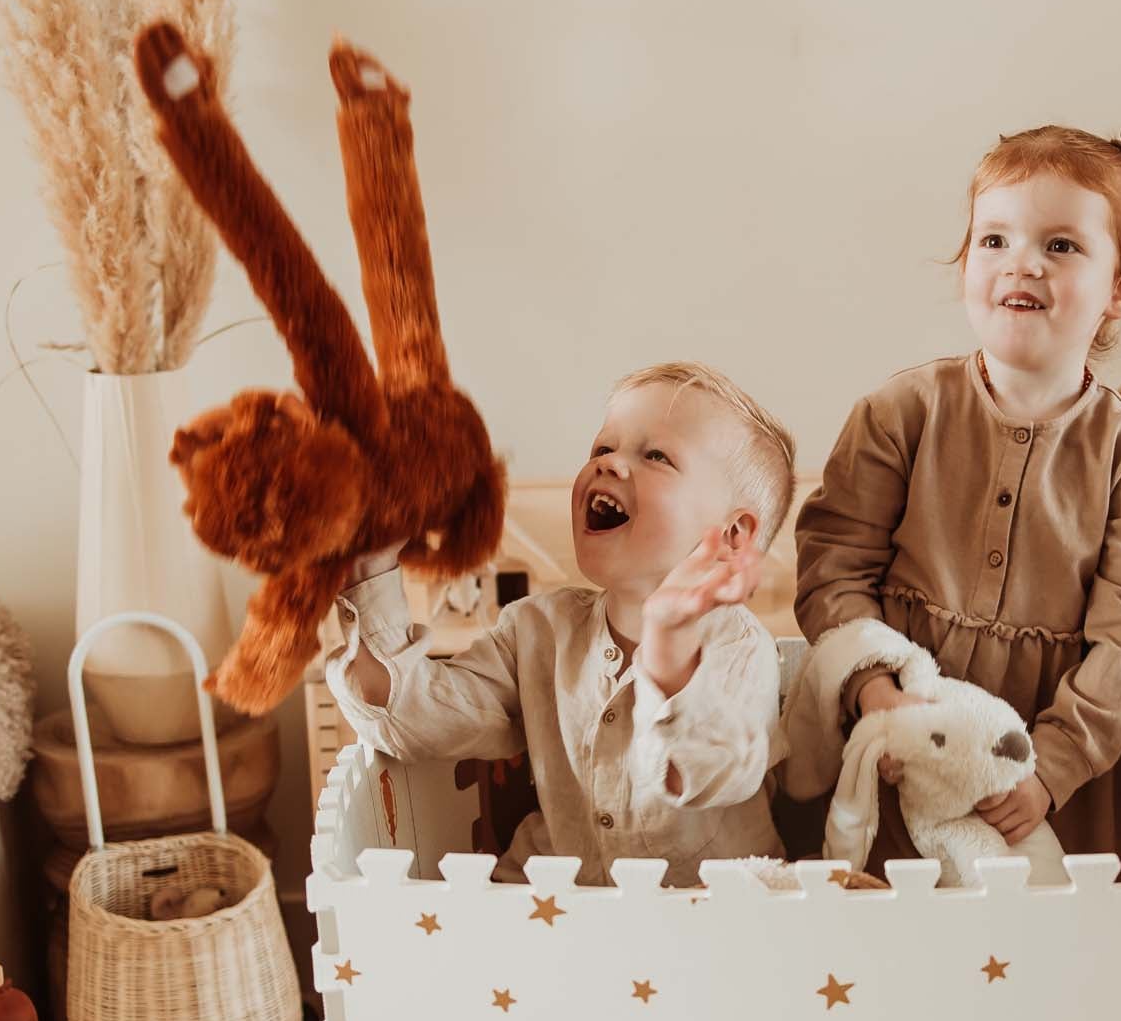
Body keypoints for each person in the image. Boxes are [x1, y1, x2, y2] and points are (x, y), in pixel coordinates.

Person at [793, 126, 1121, 879]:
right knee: (886, 907)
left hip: (1043, 769)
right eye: (995, 240)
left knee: (1033, 924)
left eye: (1061, 246)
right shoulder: (899, 414)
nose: (1022, 264)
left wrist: (1053, 769)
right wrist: (876, 690)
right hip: (907, 727)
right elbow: (833, 567)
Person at [327, 363, 795, 886]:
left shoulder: (741, 648)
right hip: (556, 900)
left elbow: (708, 775)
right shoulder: (537, 629)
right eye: (602, 448)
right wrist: (369, 567)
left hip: (711, 914)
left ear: (731, 537)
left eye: (655, 456)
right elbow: (413, 720)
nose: (609, 463)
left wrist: (669, 655)